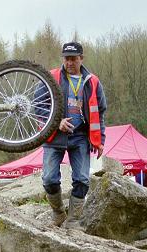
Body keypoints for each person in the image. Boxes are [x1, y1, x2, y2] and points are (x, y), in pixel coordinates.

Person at [40, 42, 107, 228]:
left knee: (82, 180)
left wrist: (100, 140)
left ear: (81, 59)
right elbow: (37, 106)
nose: (69, 62)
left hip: (81, 137)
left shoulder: (93, 81)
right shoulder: (52, 77)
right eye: (66, 58)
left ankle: (73, 220)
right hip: (55, 135)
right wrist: (56, 122)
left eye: (73, 59)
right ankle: (58, 212)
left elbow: (100, 111)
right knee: (49, 178)